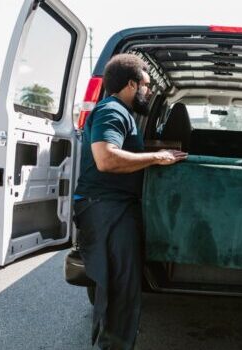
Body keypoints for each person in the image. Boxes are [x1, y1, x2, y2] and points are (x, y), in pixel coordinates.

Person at [73, 53, 187, 349]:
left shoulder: (122, 112)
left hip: (114, 208)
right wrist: (157, 157)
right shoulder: (112, 111)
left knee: (122, 290)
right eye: (147, 85)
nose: (149, 91)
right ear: (130, 84)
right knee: (118, 292)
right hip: (105, 208)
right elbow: (105, 158)